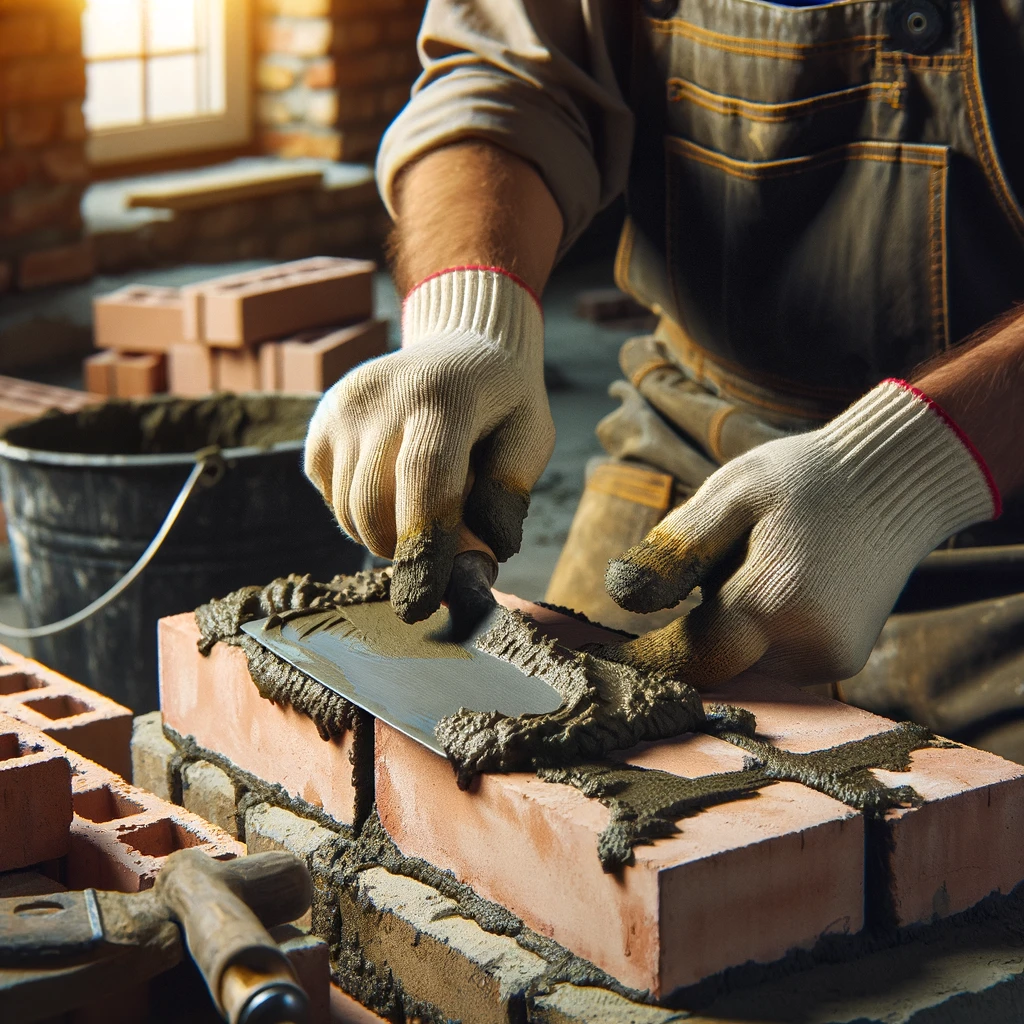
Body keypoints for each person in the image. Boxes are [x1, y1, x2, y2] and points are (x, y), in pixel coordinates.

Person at [304, 0, 1024, 751]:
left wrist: (906, 473)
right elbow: (505, 73)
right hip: (687, 446)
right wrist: (468, 318)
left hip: (1003, 532)